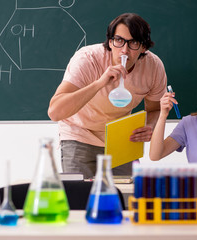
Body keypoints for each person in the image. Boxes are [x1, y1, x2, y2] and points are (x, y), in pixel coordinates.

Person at [48, 13, 167, 178]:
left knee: (123, 197)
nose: (124, 50)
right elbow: (55, 112)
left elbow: (155, 109)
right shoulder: (88, 59)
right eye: (119, 40)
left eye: (133, 43)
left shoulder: (153, 67)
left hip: (121, 138)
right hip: (79, 133)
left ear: (143, 47)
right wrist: (99, 83)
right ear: (110, 42)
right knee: (80, 198)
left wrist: (150, 127)